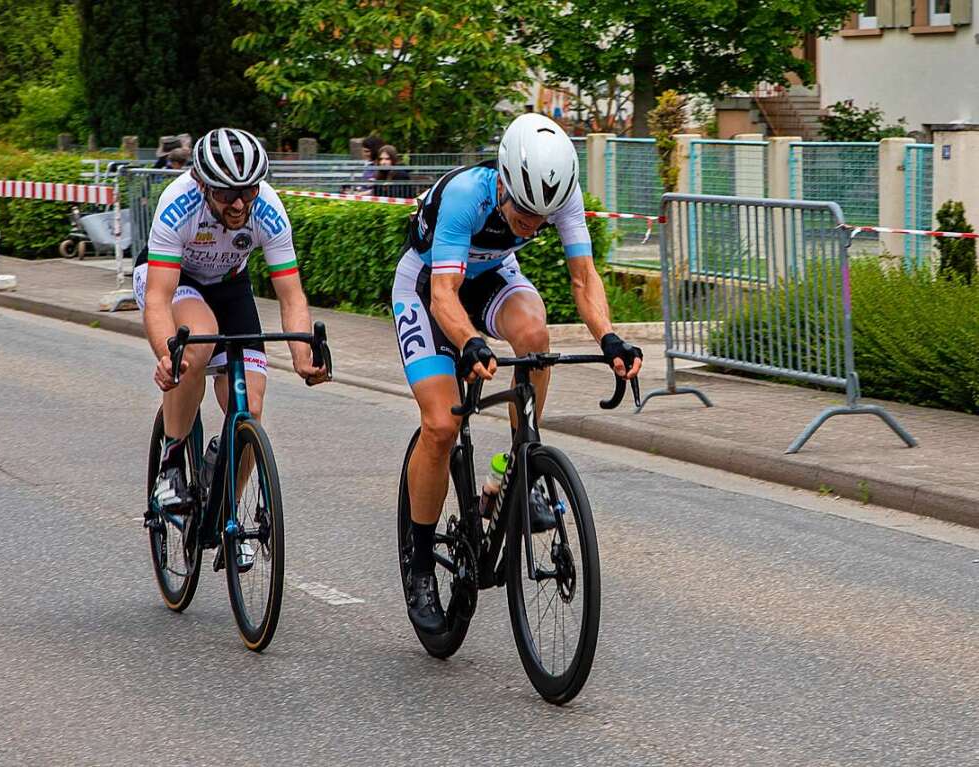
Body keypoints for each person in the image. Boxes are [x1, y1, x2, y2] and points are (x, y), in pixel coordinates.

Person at [390, 113, 642, 634]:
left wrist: (609, 339)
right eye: (524, 212)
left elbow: (583, 277)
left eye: (542, 217)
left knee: (535, 339)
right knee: (441, 424)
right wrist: (470, 342)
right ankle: (418, 562)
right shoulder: (465, 197)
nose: (533, 223)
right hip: (428, 286)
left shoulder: (561, 195)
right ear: (503, 180)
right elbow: (443, 297)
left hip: (493, 275)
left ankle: (516, 468)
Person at [136, 127, 329, 517]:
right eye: (226, 194)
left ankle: (227, 510)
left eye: (248, 191)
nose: (239, 204)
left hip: (230, 284)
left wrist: (302, 354)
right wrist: (165, 354)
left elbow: (291, 295)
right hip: (174, 280)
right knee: (197, 342)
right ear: (202, 185)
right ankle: (171, 467)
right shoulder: (178, 203)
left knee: (249, 408)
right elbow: (158, 299)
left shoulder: (268, 210)